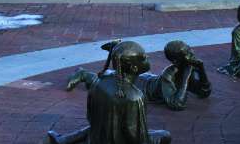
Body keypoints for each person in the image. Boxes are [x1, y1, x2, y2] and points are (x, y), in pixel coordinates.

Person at [48, 40, 170, 144]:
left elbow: (91, 118)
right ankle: (68, 140)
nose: (148, 57)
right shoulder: (134, 96)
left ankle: (66, 140)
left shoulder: (100, 79)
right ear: (134, 68)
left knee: (106, 123)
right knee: (165, 136)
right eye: (144, 57)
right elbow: (138, 139)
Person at [67, 40, 211, 111]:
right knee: (110, 79)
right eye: (187, 54)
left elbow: (204, 92)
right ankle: (84, 73)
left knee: (115, 75)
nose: (192, 55)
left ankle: (116, 49)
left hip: (150, 79)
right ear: (175, 61)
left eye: (190, 50)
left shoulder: (189, 67)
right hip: (143, 85)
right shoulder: (170, 73)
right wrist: (186, 75)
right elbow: (177, 104)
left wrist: (202, 69)